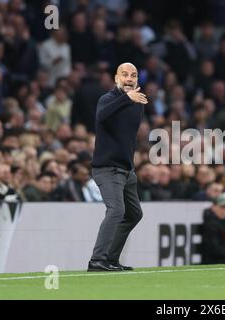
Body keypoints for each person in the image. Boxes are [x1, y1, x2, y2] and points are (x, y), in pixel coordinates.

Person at [88, 62, 148, 272]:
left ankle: (111, 259)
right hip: (107, 168)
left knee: (134, 214)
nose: (129, 78)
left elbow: (127, 135)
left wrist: (131, 165)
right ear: (116, 79)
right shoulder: (108, 99)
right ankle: (97, 260)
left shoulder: (137, 103)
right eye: (125, 75)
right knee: (116, 210)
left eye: (133, 75)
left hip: (126, 170)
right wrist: (125, 98)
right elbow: (101, 117)